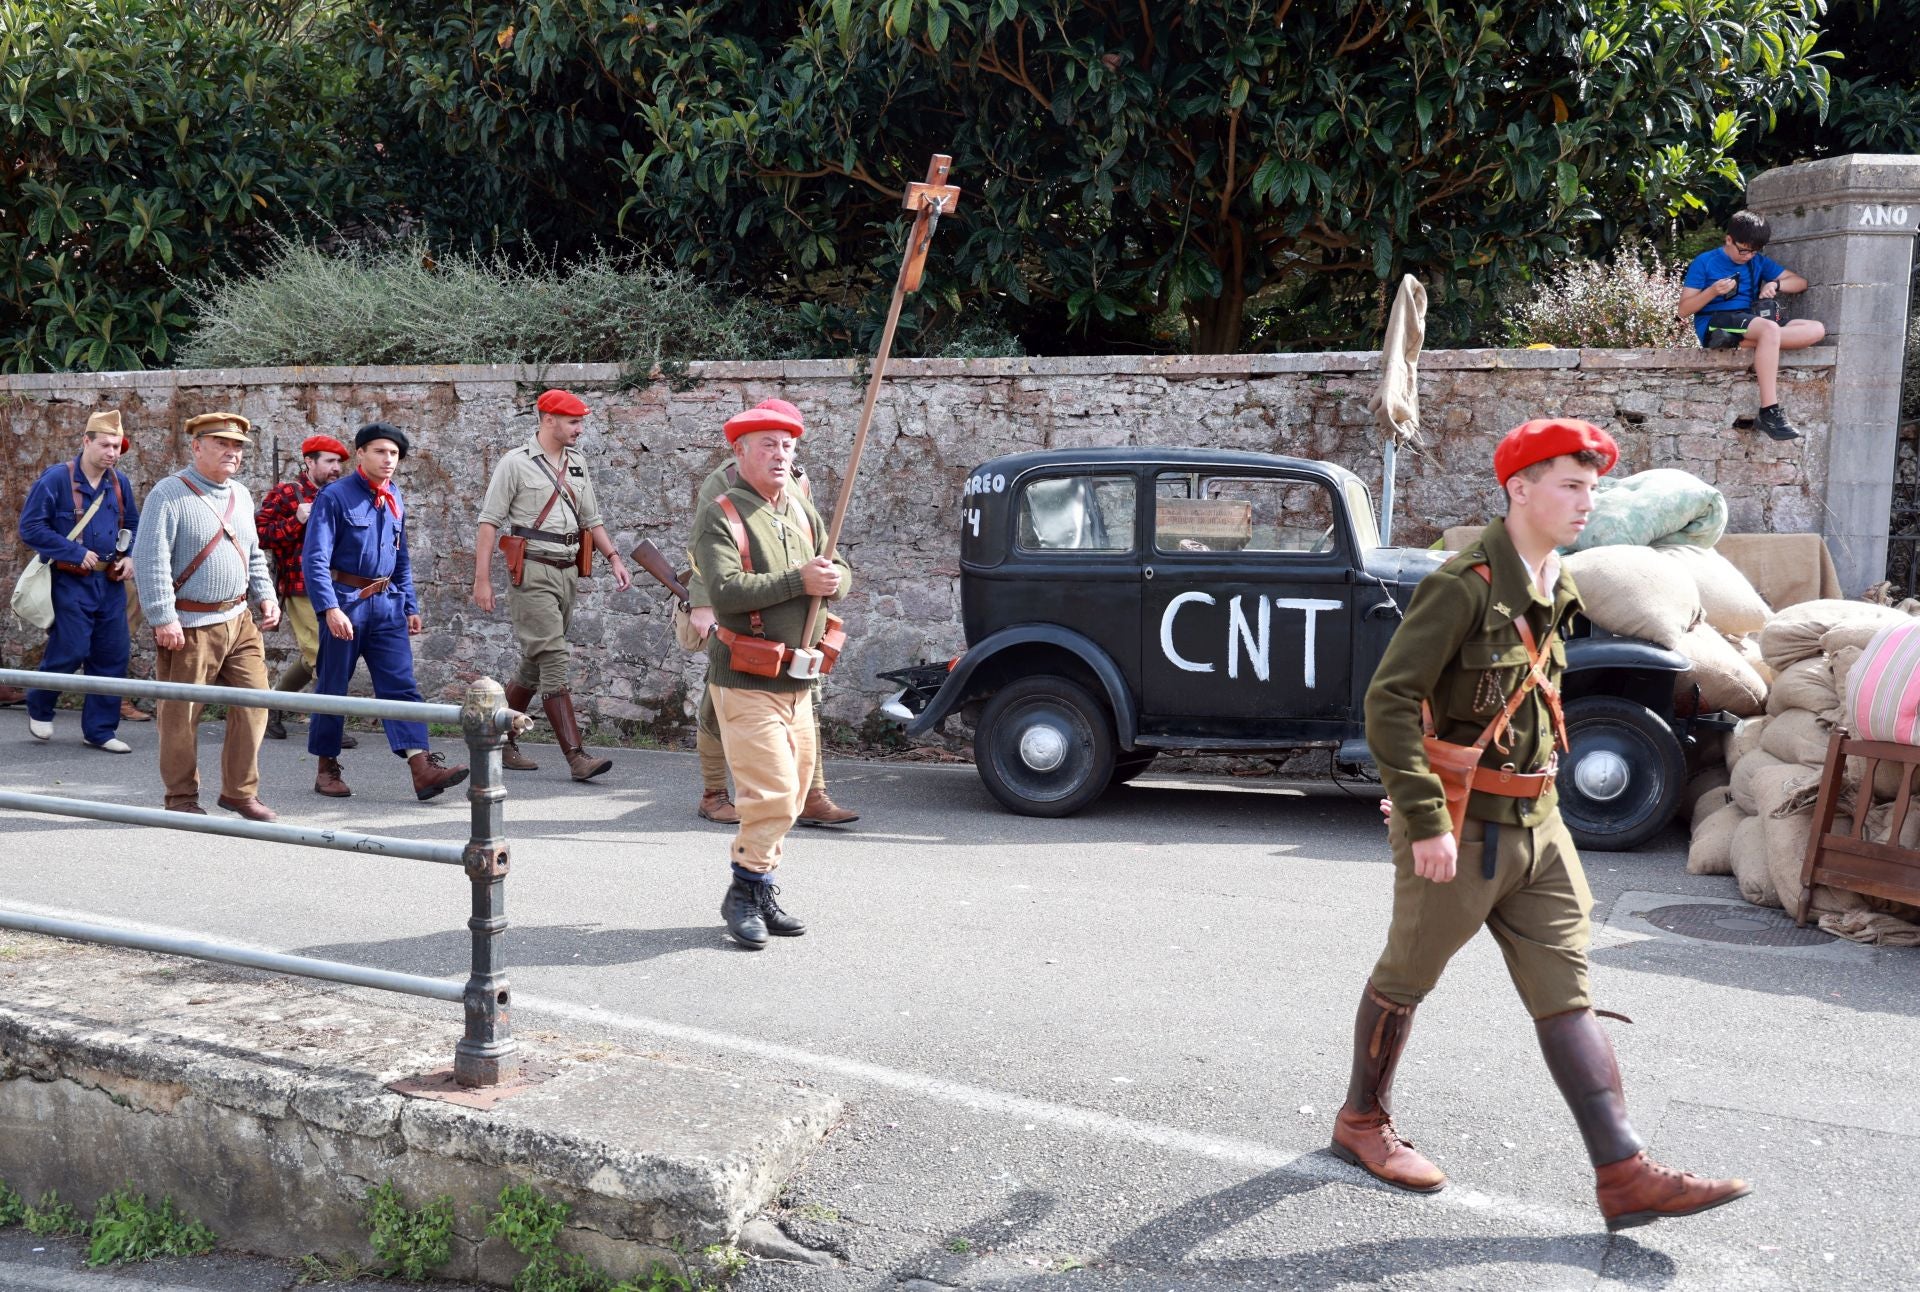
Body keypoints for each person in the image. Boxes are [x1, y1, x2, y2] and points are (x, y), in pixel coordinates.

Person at [1334, 417, 1750, 1231]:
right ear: (1518, 489)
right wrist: (1423, 818)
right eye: (1569, 484)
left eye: (1592, 487)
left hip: (1540, 823)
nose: (1585, 501)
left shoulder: (1557, 580)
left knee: (1569, 996)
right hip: (1463, 826)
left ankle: (1624, 1174)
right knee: (1403, 980)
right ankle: (1361, 1121)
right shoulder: (1463, 585)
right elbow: (1388, 701)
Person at [692, 403, 851, 949]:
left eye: (787, 445)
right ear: (740, 453)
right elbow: (726, 592)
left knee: (799, 788)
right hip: (746, 678)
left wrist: (833, 580)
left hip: (799, 680)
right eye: (767, 444)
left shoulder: (803, 511)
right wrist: (799, 580)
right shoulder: (721, 512)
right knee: (776, 796)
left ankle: (760, 888)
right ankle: (742, 892)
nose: (780, 454)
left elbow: (838, 571)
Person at [471, 388, 632, 781]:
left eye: (580, 422)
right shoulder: (515, 464)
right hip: (531, 571)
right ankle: (577, 757)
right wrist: (481, 581)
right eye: (573, 421)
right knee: (555, 657)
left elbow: (591, 518)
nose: (580, 429)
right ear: (548, 420)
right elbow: (489, 522)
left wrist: (613, 557)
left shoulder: (577, 462)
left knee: (534, 661)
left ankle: (496, 736)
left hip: (567, 570)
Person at [303, 423, 468, 801]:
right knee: (333, 687)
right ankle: (326, 767)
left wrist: (409, 603)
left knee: (401, 686)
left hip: (387, 606)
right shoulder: (335, 497)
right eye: (380, 451)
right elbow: (315, 558)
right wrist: (329, 608)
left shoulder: (394, 495)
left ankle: (422, 767)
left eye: (393, 454)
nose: (388, 459)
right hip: (346, 602)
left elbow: (401, 555)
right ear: (360, 453)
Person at [131, 412, 281, 821]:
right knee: (182, 717)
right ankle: (180, 798)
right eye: (221, 443)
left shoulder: (242, 495)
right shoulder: (169, 494)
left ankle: (239, 792)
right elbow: (150, 560)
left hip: (239, 619)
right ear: (196, 447)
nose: (232, 452)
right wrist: (163, 617)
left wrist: (265, 595)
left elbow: (251, 553)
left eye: (237, 446)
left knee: (255, 704)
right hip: (189, 625)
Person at [17, 409, 141, 752]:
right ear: (85, 441)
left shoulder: (119, 482)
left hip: (110, 583)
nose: (112, 453)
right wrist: (71, 551)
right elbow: (30, 528)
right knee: (71, 648)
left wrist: (128, 555)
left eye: (117, 446)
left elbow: (132, 521)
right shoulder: (57, 479)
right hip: (69, 580)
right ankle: (39, 704)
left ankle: (100, 731)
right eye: (105, 445)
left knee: (112, 655)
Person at [1679, 210, 1826, 442]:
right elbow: (1684, 310)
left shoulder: (1757, 261)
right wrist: (1712, 291)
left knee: (1816, 329)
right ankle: (1769, 410)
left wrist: (1775, 284)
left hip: (1750, 322)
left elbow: (1800, 283)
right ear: (1729, 240)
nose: (1748, 256)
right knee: (1769, 330)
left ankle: (1750, 342)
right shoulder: (1704, 262)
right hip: (1715, 321)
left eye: (1754, 251)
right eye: (1743, 250)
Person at [255, 434, 356, 748]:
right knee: (323, 656)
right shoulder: (288, 493)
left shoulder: (339, 493)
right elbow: (258, 534)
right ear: (310, 462)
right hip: (301, 585)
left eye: (339, 462)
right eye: (329, 461)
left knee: (312, 654)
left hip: (337, 586)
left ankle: (271, 707)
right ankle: (329, 725)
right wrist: (294, 521)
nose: (336, 467)